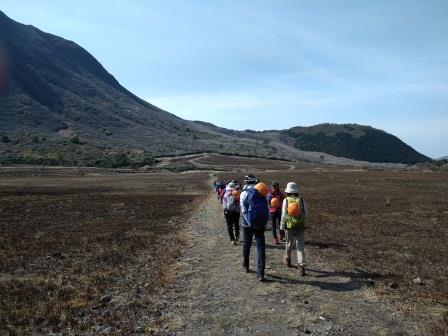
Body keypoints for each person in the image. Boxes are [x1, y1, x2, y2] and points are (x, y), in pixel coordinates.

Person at [241, 175, 269, 281]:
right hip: (260, 224)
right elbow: (266, 209)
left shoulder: (244, 193)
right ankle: (261, 273)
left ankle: (246, 266)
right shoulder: (262, 193)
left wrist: (249, 222)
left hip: (247, 224)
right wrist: (265, 222)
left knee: (247, 244)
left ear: (247, 183)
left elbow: (243, 210)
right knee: (261, 247)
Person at [280, 182, 308, 276]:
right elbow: (306, 213)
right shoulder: (301, 200)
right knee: (300, 246)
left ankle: (287, 259)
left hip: (289, 226)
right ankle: (301, 265)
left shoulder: (286, 200)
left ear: (288, 191)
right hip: (300, 225)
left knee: (289, 243)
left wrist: (281, 226)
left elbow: (284, 215)